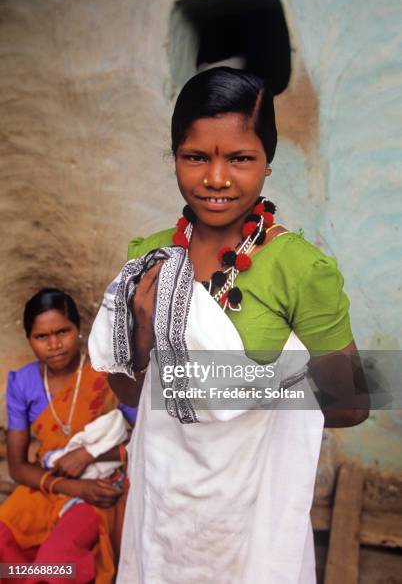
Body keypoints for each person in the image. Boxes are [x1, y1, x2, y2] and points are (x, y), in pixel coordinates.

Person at [90, 67, 369, 583]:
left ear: (267, 163)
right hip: (166, 513)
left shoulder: (300, 269)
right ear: (175, 157)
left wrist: (246, 406)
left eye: (240, 158)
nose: (216, 178)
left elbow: (351, 404)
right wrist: (144, 336)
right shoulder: (148, 258)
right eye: (196, 156)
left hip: (252, 519)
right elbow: (129, 393)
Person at [0, 288, 136, 584]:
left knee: (56, 562)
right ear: (29, 340)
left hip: (97, 489)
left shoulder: (106, 374)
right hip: (48, 485)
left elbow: (144, 440)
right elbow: (18, 467)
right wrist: (69, 485)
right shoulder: (22, 382)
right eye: (42, 337)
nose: (54, 344)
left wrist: (90, 454)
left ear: (78, 330)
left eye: (63, 331)